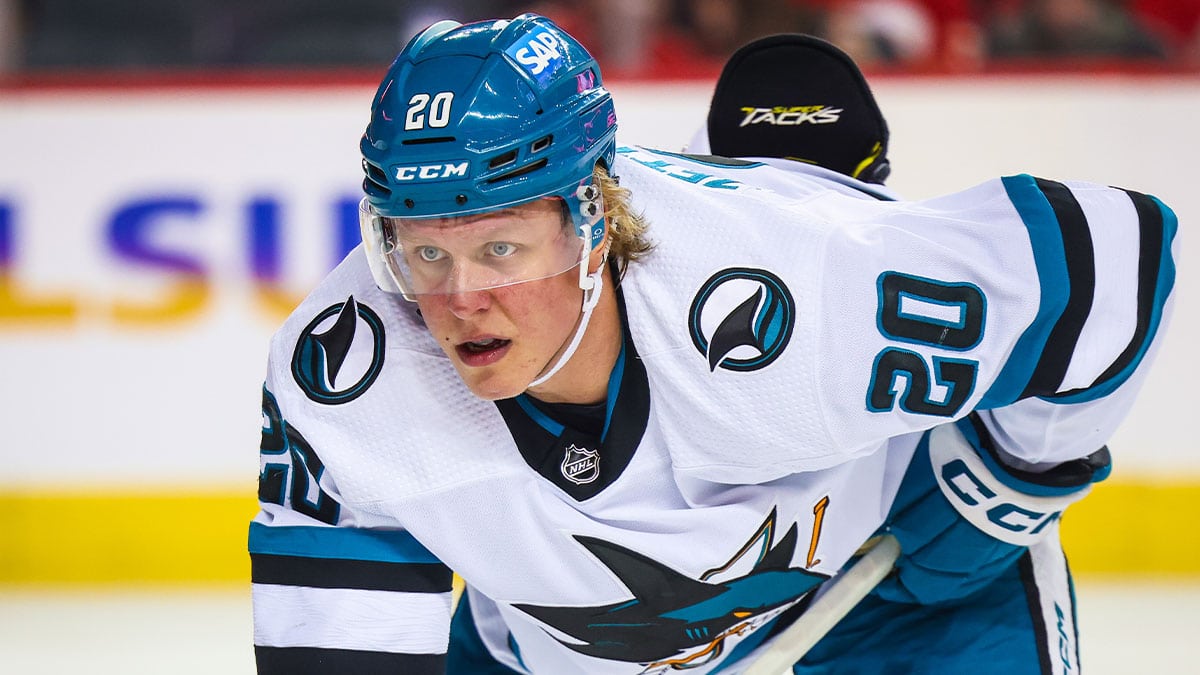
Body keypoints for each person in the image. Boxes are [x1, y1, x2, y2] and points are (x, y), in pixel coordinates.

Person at [248, 13, 1178, 674]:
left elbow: (1112, 258)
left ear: (593, 220)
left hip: (897, 613)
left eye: (500, 247)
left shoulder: (797, 299)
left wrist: (1004, 485)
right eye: (422, 252)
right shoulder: (342, 379)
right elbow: (338, 637)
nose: (459, 301)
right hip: (559, 651)